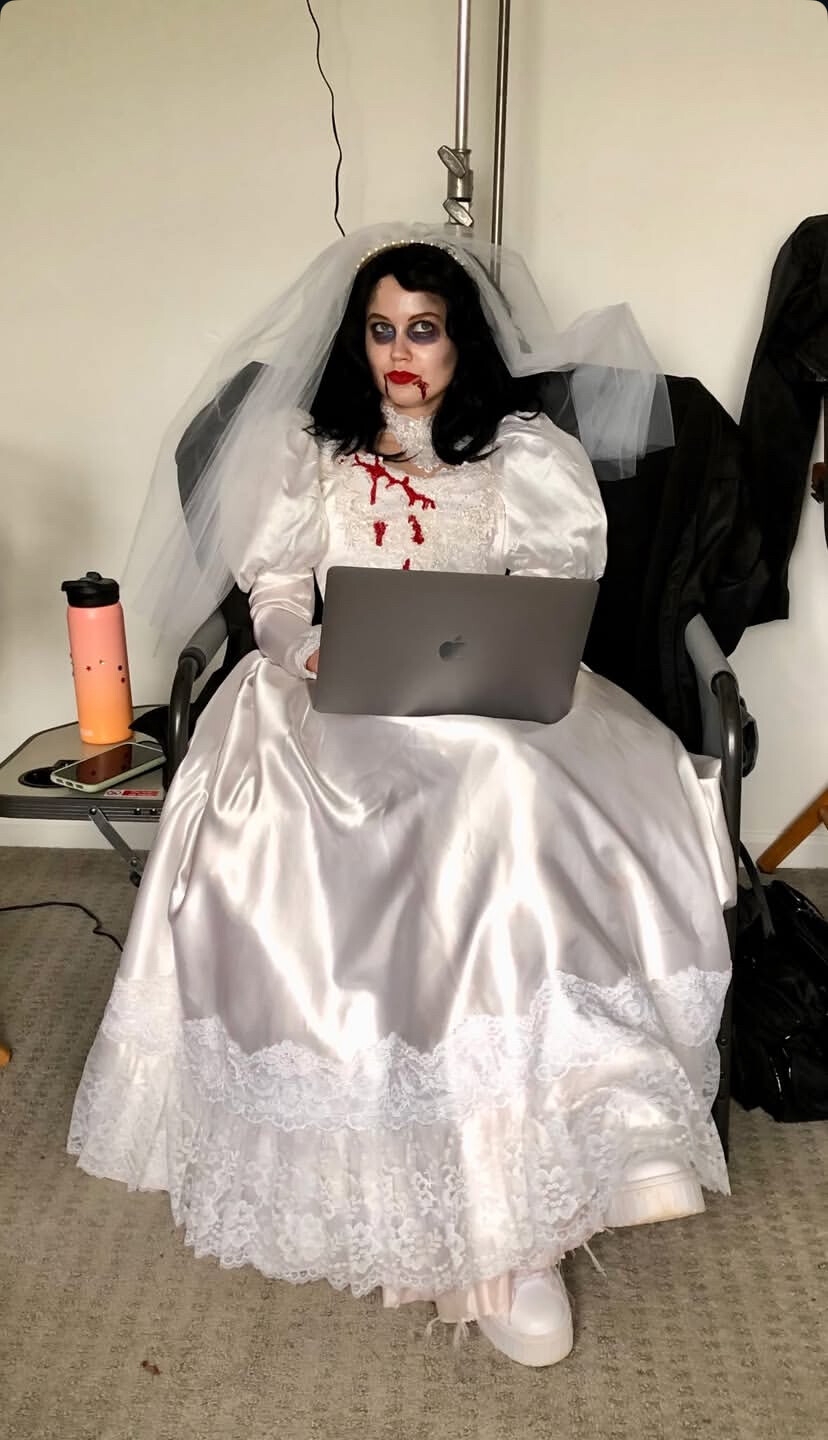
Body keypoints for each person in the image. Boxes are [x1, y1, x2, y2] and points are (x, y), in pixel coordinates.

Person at [68, 224, 735, 1369]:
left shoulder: (518, 453)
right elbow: (277, 593)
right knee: (360, 813)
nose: (400, 353)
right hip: (330, 696)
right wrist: (303, 649)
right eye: (381, 330)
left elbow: (553, 586)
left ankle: (521, 1209)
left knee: (503, 793)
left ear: (459, 339)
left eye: (422, 329)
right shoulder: (307, 451)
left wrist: (498, 651)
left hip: (486, 701)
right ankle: (439, 1201)